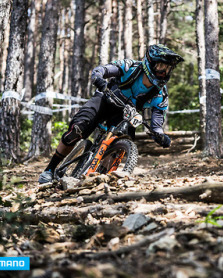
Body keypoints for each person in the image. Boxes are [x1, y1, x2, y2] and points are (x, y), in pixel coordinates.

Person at [38, 44, 184, 184]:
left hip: (125, 114)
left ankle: (100, 178)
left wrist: (160, 135)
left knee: (123, 141)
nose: (164, 73)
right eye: (161, 67)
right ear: (150, 63)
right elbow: (100, 70)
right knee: (78, 129)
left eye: (168, 69)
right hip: (104, 100)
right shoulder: (130, 67)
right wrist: (100, 80)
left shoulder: (161, 94)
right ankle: (49, 170)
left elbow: (157, 122)